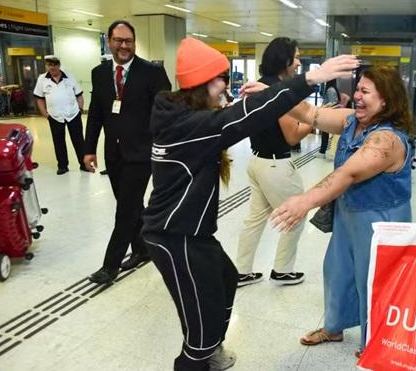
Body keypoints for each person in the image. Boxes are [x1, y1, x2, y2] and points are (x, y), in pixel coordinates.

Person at [140, 37, 358, 371]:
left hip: (191, 233)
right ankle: (199, 356)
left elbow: (239, 115)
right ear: (201, 83)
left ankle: (210, 348)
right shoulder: (188, 127)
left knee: (226, 279)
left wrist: (266, 94)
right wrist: (310, 80)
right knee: (199, 323)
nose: (225, 86)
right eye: (220, 79)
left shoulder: (185, 115)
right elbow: (244, 119)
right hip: (174, 237)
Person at [270, 66, 414, 356]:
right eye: (358, 89)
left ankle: (375, 341)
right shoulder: (352, 121)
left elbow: (348, 174)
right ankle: (333, 328)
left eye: (365, 91)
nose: (356, 96)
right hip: (349, 215)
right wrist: (270, 95)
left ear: (386, 99)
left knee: (373, 281)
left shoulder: (386, 140)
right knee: (337, 271)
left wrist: (304, 201)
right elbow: (310, 114)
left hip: (380, 221)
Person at [84, 20, 172, 284]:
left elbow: (166, 112)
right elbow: (97, 113)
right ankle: (143, 248)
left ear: (134, 42)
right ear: (109, 42)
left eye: (128, 41)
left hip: (142, 153)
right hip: (114, 153)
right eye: (118, 40)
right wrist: (89, 150)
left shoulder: (152, 73)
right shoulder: (99, 73)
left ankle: (109, 267)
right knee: (131, 204)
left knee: (125, 209)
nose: (123, 46)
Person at [235, 37, 314, 286]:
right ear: (285, 60)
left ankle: (241, 270)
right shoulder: (278, 92)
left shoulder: (259, 85)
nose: (299, 62)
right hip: (275, 166)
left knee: (255, 220)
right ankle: (282, 269)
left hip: (257, 161)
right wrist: (312, 124)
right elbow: (291, 136)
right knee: (297, 216)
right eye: (297, 57)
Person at [33, 56, 86, 175]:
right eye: (49, 65)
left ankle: (84, 164)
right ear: (46, 66)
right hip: (55, 116)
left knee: (79, 141)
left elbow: (79, 94)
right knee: (58, 142)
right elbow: (39, 99)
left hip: (73, 114)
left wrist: (80, 109)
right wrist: (45, 114)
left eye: (55, 64)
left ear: (59, 65)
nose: (52, 67)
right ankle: (62, 165)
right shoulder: (42, 79)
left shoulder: (69, 76)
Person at [316, 79, 350, 159]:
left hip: (327, 114)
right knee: (325, 133)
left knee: (325, 132)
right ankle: (323, 151)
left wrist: (324, 109)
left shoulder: (330, 90)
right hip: (329, 113)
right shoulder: (333, 89)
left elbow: (332, 103)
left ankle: (322, 151)